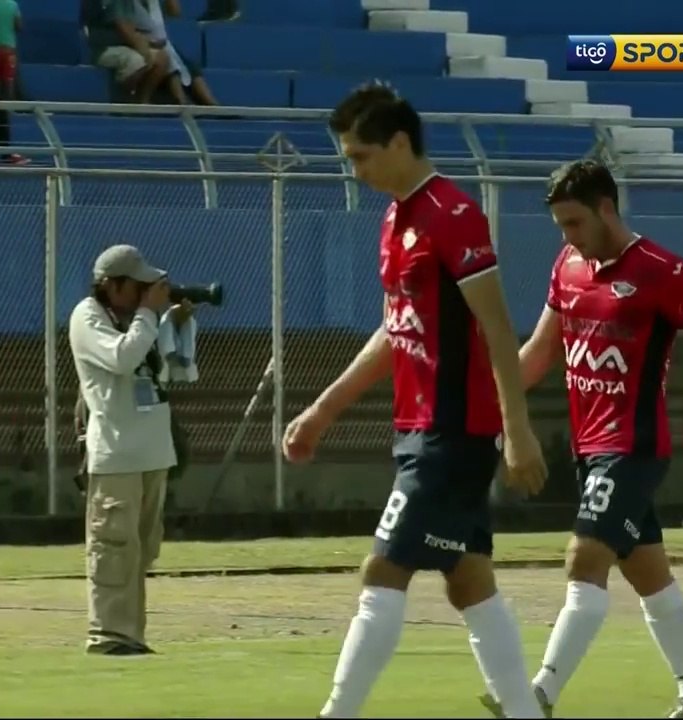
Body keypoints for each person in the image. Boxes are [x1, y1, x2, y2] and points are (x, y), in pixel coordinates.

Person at [280, 84, 549, 719]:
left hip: (452, 432)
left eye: (361, 156)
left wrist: (517, 430)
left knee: (383, 571)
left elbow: (496, 326)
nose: (356, 170)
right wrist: (325, 407)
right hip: (421, 427)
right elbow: (394, 331)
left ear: (400, 143)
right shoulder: (396, 218)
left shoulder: (452, 215)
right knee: (468, 580)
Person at [482, 160, 683, 719]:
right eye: (560, 227)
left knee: (585, 555)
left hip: (634, 448)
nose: (567, 237)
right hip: (588, 449)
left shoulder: (661, 271)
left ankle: (536, 696)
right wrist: (487, 405)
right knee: (648, 573)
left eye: (574, 223)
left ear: (605, 209)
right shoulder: (568, 264)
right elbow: (542, 352)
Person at [68, 244, 178, 656]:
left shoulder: (140, 321)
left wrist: (173, 323)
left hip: (153, 452)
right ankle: (110, 636)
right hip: (116, 454)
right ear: (111, 286)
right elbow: (121, 358)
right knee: (114, 549)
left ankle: (132, 634)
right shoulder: (87, 316)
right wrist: (149, 316)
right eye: (137, 286)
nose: (145, 293)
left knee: (142, 550)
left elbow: (174, 369)